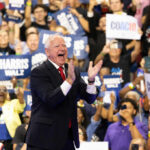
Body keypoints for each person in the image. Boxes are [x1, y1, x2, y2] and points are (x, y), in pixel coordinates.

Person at [25, 34, 103, 150]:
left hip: (67, 139)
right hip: (44, 140)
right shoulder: (39, 72)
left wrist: (91, 80)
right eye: (57, 46)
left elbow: (90, 98)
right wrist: (69, 81)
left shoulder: (73, 70)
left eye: (64, 46)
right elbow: (51, 100)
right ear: (47, 52)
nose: (62, 48)